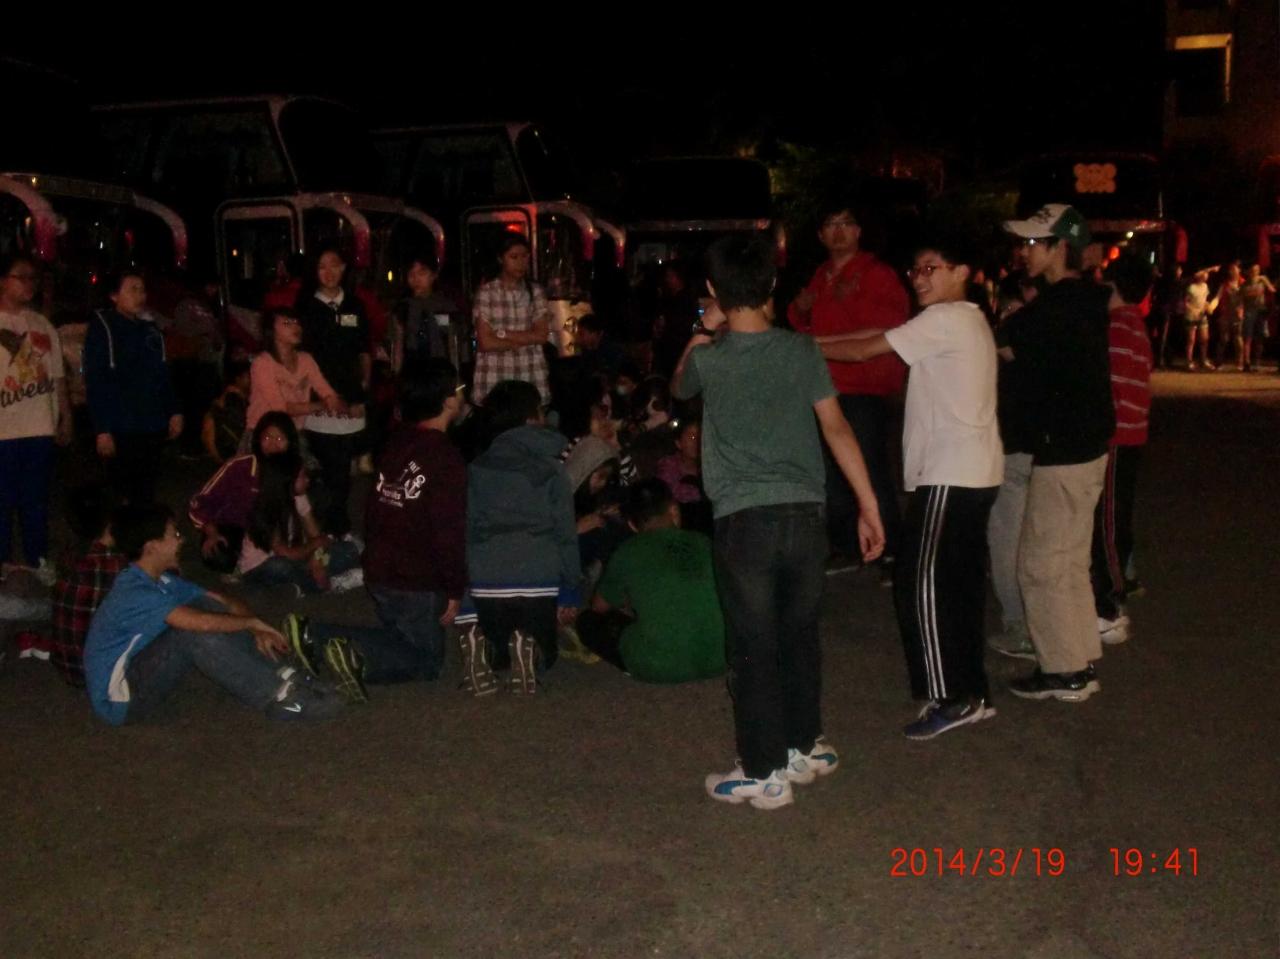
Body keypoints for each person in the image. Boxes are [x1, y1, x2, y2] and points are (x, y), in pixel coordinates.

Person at [674, 235, 885, 810]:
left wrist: (703, 325)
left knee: (752, 644)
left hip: (745, 518)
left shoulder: (710, 358)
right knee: (799, 633)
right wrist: (868, 504)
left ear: (714, 289)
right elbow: (836, 426)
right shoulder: (802, 350)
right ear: (772, 286)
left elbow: (678, 384)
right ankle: (804, 744)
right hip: (805, 514)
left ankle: (763, 771)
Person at [816, 235, 1002, 739]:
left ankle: (951, 695)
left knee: (919, 583)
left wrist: (801, 347)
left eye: (931, 267)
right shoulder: (962, 319)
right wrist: (813, 341)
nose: (919, 278)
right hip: (972, 472)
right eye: (915, 269)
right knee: (958, 586)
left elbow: (864, 349)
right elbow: (876, 335)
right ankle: (972, 692)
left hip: (950, 474)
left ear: (962, 271)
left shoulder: (948, 318)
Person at [82, 503, 344, 725]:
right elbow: (201, 624)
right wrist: (252, 622)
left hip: (140, 666)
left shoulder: (159, 580)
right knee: (192, 634)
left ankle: (284, 673)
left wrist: (255, 628)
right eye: (174, 535)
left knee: (210, 608)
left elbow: (223, 602)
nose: (181, 540)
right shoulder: (134, 591)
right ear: (151, 547)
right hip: (120, 700)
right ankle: (280, 697)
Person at [999, 205, 1115, 702]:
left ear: (1059, 248)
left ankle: (1064, 671)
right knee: (1067, 561)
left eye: (1033, 243)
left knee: (1041, 564)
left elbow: (1008, 346)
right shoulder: (1087, 299)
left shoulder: (1054, 308)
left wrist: (1005, 324)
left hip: (1063, 449)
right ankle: (1079, 657)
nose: (1024, 252)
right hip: (1087, 446)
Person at [787, 197, 908, 580]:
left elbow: (887, 329)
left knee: (868, 467)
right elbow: (803, 327)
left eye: (846, 223)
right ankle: (847, 545)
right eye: (831, 225)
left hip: (864, 388)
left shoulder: (876, 273)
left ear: (858, 231)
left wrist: (823, 337)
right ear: (821, 235)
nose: (839, 232)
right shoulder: (821, 275)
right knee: (830, 471)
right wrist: (801, 309)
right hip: (825, 387)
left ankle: (892, 551)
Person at [463, 379, 581, 695]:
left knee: (501, 649)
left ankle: (486, 651)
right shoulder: (552, 469)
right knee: (545, 653)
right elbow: (565, 533)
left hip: (487, 576)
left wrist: (467, 588)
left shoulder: (477, 466)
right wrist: (570, 587)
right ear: (531, 418)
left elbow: (469, 529)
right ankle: (531, 651)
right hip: (537, 573)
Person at [362, 360, 467, 683]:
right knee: (426, 663)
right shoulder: (444, 457)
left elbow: (376, 507)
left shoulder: (397, 441)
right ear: (448, 400)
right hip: (414, 579)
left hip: (381, 568)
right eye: (459, 389)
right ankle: (326, 639)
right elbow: (447, 530)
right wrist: (454, 588)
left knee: (400, 642)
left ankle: (353, 649)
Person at [578, 479, 725, 682]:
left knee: (587, 622)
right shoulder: (703, 542)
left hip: (658, 666)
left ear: (632, 524)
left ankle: (638, 660)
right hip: (720, 658)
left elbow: (599, 606)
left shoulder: (628, 552)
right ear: (674, 511)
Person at [1091, 254, 1154, 641]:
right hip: (1132, 433)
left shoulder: (1117, 326)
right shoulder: (1134, 324)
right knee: (1118, 513)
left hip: (1117, 435)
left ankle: (1113, 595)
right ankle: (1122, 579)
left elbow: (1110, 385)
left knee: (1108, 520)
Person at [0, 252, 71, 581]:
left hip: (38, 425)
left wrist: (65, 416)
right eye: (21, 277)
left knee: (36, 500)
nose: (29, 284)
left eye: (33, 278)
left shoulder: (41, 325)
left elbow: (57, 376)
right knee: (2, 501)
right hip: (3, 429)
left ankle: (37, 559)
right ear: (3, 281)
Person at [83, 269, 182, 505]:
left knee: (147, 490)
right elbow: (96, 381)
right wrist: (102, 429)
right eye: (132, 289)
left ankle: (145, 526)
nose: (140, 296)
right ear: (114, 295)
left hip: (151, 423)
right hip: (122, 425)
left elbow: (162, 374)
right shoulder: (103, 329)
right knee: (122, 494)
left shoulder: (150, 330)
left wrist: (174, 411)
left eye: (142, 290)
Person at [295, 247, 370, 536]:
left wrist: (362, 391)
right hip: (318, 400)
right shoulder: (305, 307)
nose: (329, 272)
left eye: (334, 264)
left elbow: (363, 351)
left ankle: (331, 530)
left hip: (350, 398)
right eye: (322, 266)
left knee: (342, 471)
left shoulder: (355, 305)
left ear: (344, 267)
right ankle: (333, 530)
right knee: (329, 469)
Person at [190, 412, 301, 574]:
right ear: (257, 439)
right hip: (234, 528)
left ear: (290, 442)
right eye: (267, 437)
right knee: (219, 555)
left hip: (271, 530)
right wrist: (211, 532)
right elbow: (201, 502)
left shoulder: (295, 471)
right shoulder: (239, 466)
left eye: (279, 439)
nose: (272, 444)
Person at [470, 235, 551, 407]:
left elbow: (541, 335)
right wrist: (523, 340)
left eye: (525, 256)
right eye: (514, 257)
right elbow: (486, 342)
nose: (521, 262)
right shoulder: (487, 293)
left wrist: (502, 334)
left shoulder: (535, 292)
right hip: (495, 375)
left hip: (529, 372)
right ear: (501, 259)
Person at [246, 307, 344, 434]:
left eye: (297, 322)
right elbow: (280, 408)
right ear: (271, 331)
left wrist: (335, 401)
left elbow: (326, 390)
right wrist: (322, 405)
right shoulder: (262, 363)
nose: (296, 327)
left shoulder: (306, 359)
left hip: (293, 431)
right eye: (287, 323)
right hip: (263, 433)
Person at [391, 251, 457, 373]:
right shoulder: (403, 307)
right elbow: (397, 345)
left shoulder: (445, 306)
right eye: (411, 274)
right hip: (412, 371)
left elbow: (452, 342)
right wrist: (396, 373)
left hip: (440, 369)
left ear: (433, 275)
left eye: (422, 273)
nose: (416, 279)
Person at [202, 357, 251, 462]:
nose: (251, 380)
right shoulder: (232, 397)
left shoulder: (246, 396)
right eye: (248, 376)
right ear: (238, 379)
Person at [1240, 263, 1274, 371]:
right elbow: (1242, 297)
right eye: (1253, 270)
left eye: (1257, 270)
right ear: (1249, 272)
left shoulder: (1262, 282)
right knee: (1248, 337)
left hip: (1261, 311)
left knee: (1260, 338)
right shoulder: (1245, 284)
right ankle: (1247, 363)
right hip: (1249, 312)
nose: (1255, 272)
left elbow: (1272, 290)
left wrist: (1265, 281)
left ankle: (1257, 362)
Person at [1183, 268, 1216, 370]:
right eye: (1205, 273)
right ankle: (1189, 361)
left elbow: (1204, 300)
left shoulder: (1205, 286)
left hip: (1202, 315)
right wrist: (1192, 310)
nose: (1206, 275)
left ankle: (1203, 360)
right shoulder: (1191, 287)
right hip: (1191, 316)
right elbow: (1185, 302)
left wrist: (1208, 306)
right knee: (1191, 340)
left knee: (1204, 339)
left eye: (1207, 274)